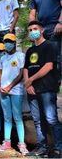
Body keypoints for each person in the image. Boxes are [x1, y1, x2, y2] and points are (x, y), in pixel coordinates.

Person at [24, 20, 62, 158]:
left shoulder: (50, 46)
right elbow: (26, 69)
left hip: (47, 88)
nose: (32, 32)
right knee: (37, 120)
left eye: (34, 29)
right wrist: (27, 85)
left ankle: (58, 149)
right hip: (32, 90)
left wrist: (31, 80)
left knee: (51, 119)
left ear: (42, 30)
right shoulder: (29, 50)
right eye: (29, 30)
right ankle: (42, 148)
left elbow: (49, 66)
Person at [0, 33, 28, 155]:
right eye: (6, 42)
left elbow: (21, 74)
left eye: (10, 41)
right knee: (7, 118)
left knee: (18, 118)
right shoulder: (3, 58)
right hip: (3, 91)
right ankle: (7, 142)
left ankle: (22, 144)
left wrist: (10, 86)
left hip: (16, 91)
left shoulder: (20, 56)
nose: (7, 44)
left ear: (14, 43)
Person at [29, 0, 62, 79]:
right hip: (41, 30)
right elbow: (32, 15)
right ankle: (42, 81)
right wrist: (32, 30)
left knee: (56, 57)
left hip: (55, 27)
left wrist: (60, 22)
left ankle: (56, 83)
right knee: (40, 57)